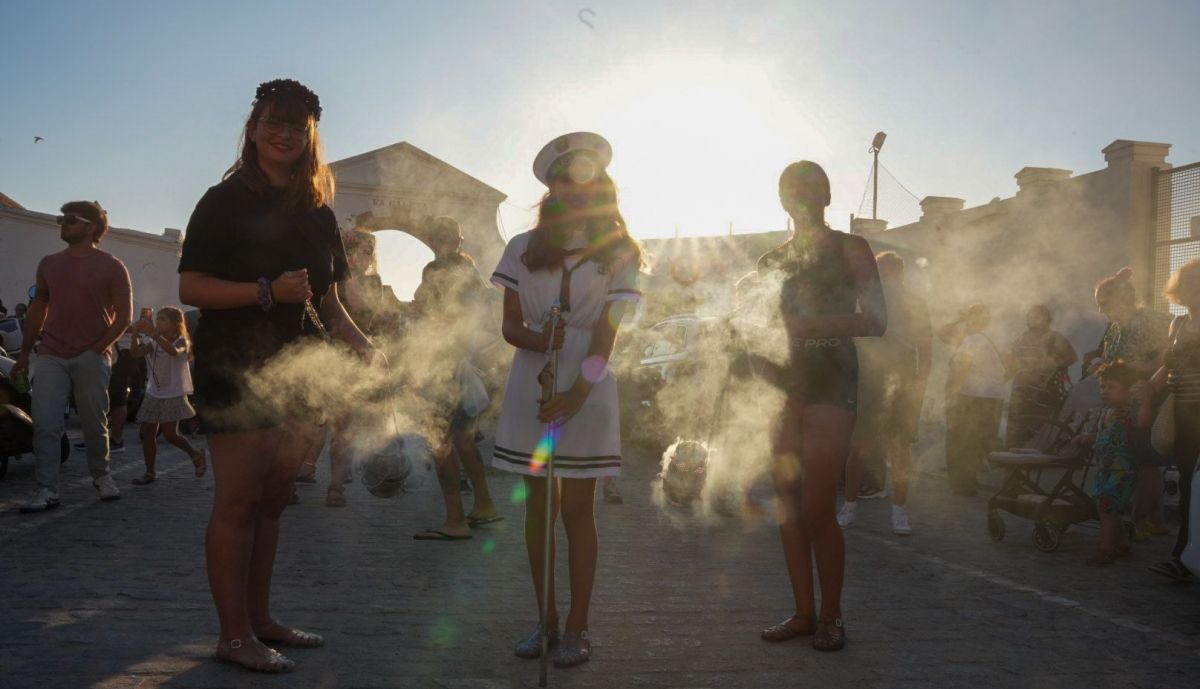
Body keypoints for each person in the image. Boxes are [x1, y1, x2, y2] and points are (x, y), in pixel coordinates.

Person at [178, 79, 378, 673]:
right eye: (273, 121)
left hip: (300, 372)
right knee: (238, 502)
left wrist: (364, 347)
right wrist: (264, 290)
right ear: (254, 127)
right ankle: (233, 635)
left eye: (296, 125)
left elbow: (331, 301)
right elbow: (191, 288)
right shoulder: (223, 200)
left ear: (309, 136)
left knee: (273, 502)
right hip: (237, 366)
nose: (283, 133)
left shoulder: (319, 212)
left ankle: (261, 620)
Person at [490, 132, 642, 668]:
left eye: (588, 177)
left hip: (587, 385)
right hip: (534, 380)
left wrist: (579, 391)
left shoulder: (619, 250)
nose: (577, 188)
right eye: (566, 178)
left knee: (579, 509)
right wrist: (540, 340)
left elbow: (610, 330)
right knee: (538, 509)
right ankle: (545, 617)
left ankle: (578, 624)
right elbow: (510, 325)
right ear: (552, 187)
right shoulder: (522, 248)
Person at [755, 161, 886, 651]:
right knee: (787, 505)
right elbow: (761, 329)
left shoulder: (852, 248)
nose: (802, 199)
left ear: (828, 197)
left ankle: (832, 616)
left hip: (833, 382)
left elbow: (877, 319)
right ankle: (803, 613)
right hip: (785, 386)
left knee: (816, 508)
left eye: (812, 190)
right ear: (782, 200)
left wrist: (815, 325)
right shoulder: (770, 261)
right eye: (792, 191)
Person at [15, 201, 132, 512]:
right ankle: (47, 489)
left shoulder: (112, 266)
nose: (62, 224)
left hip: (92, 355)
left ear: (91, 227)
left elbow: (124, 318)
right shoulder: (48, 264)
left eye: (70, 220)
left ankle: (102, 476)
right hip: (51, 353)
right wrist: (26, 353)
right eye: (60, 219)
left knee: (94, 423)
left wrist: (95, 350)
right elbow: (37, 310)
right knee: (45, 423)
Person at [295, 227, 403, 507]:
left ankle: (335, 486)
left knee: (342, 426)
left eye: (368, 251)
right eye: (355, 249)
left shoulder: (373, 282)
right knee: (308, 422)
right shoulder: (330, 279)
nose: (362, 256)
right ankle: (291, 477)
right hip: (322, 355)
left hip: (353, 357)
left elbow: (360, 308)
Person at [410, 215, 502, 539]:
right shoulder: (472, 273)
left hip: (442, 366)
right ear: (459, 241)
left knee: (440, 443)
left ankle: (455, 520)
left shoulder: (434, 271)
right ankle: (484, 505)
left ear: (433, 241)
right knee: (463, 439)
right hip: (464, 362)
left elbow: (425, 315)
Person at [839, 251, 931, 535]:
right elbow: (849, 341)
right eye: (880, 272)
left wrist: (920, 385)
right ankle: (850, 507)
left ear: (899, 273)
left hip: (901, 375)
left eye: (889, 271)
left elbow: (926, 349)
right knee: (858, 447)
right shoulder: (864, 301)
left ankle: (899, 512)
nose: (884, 277)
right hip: (870, 376)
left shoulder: (915, 304)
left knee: (900, 448)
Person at [1083, 268, 1171, 539]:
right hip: (1123, 403)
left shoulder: (1151, 321)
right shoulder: (1115, 328)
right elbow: (1113, 362)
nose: (1101, 310)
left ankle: (1142, 521)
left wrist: (1133, 366)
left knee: (1146, 461)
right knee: (1135, 459)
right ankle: (1152, 520)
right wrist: (1100, 366)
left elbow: (1167, 361)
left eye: (1104, 303)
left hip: (1148, 397)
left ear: (1123, 299)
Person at [1148, 258, 1200, 582]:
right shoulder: (1178, 325)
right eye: (1188, 284)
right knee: (1187, 488)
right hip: (1184, 415)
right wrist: (1146, 390)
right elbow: (1166, 367)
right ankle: (1184, 557)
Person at [1073, 361, 1150, 565]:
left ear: (1127, 391)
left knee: (1107, 507)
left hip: (1122, 472)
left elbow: (1143, 422)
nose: (1105, 391)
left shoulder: (1129, 412)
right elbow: (1101, 434)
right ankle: (1123, 544)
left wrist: (1145, 401)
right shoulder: (1106, 411)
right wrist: (1087, 437)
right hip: (1104, 470)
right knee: (1105, 508)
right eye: (1102, 387)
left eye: (1112, 387)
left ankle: (1105, 550)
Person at [128, 306, 206, 484]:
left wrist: (153, 333)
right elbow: (135, 353)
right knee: (148, 433)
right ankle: (150, 473)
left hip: (173, 393)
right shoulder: (155, 341)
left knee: (170, 434)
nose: (157, 322)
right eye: (157, 319)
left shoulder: (182, 340)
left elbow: (173, 351)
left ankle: (195, 454)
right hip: (154, 392)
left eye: (162, 319)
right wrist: (134, 335)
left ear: (174, 323)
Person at [943, 303, 1007, 496]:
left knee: (961, 440)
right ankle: (969, 481)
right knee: (977, 441)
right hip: (993, 397)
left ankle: (963, 484)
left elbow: (961, 367)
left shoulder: (973, 340)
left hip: (973, 396)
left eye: (970, 318)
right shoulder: (992, 337)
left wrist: (952, 394)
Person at [1005, 305, 1077, 446]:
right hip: (1021, 390)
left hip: (1043, 391)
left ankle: (1035, 455)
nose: (1033, 320)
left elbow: (1072, 357)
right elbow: (1012, 362)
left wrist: (1052, 363)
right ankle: (1013, 459)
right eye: (1031, 316)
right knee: (1018, 425)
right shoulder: (1022, 338)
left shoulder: (1055, 337)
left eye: (1038, 316)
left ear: (1046, 319)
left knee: (1039, 424)